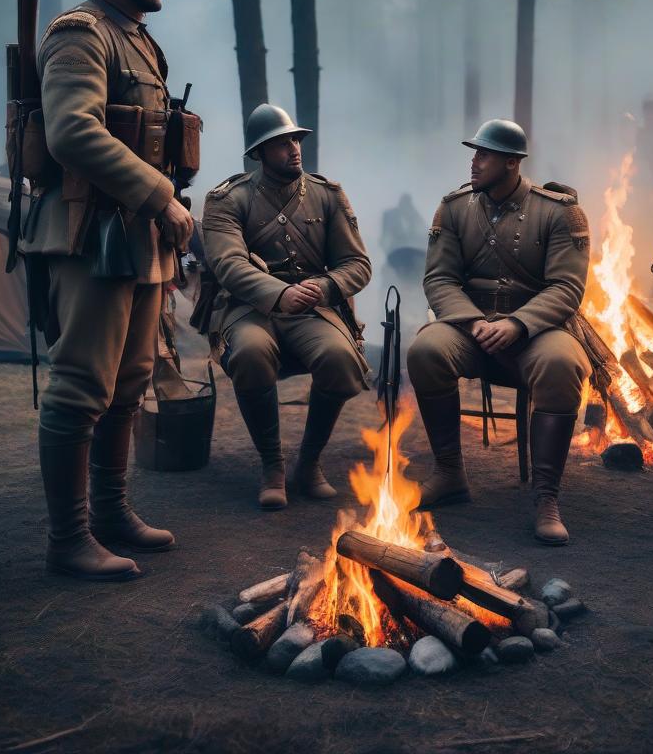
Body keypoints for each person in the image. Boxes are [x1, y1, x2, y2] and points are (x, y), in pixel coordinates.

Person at [21, 0, 195, 581]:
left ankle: (112, 514)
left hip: (136, 236)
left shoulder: (141, 42)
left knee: (129, 383)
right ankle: (68, 539)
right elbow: (71, 133)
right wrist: (161, 196)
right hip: (87, 231)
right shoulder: (80, 34)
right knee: (80, 387)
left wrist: (159, 205)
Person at [406, 119, 592, 545]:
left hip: (536, 331)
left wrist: (518, 324)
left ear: (512, 162)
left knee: (563, 363)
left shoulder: (559, 211)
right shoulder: (453, 209)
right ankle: (450, 474)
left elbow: (567, 286)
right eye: (475, 153)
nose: (475, 161)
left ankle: (547, 497)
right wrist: (472, 321)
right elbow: (439, 279)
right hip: (470, 328)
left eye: (484, 155)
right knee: (426, 350)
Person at [201, 104, 371, 509]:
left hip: (312, 307)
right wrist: (278, 294)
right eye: (280, 143)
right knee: (250, 353)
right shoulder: (227, 200)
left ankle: (309, 463)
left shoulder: (328, 196)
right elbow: (227, 263)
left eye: (295, 139)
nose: (294, 149)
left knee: (340, 359)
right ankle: (272, 466)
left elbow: (358, 264)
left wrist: (325, 286)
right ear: (259, 153)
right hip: (250, 308)